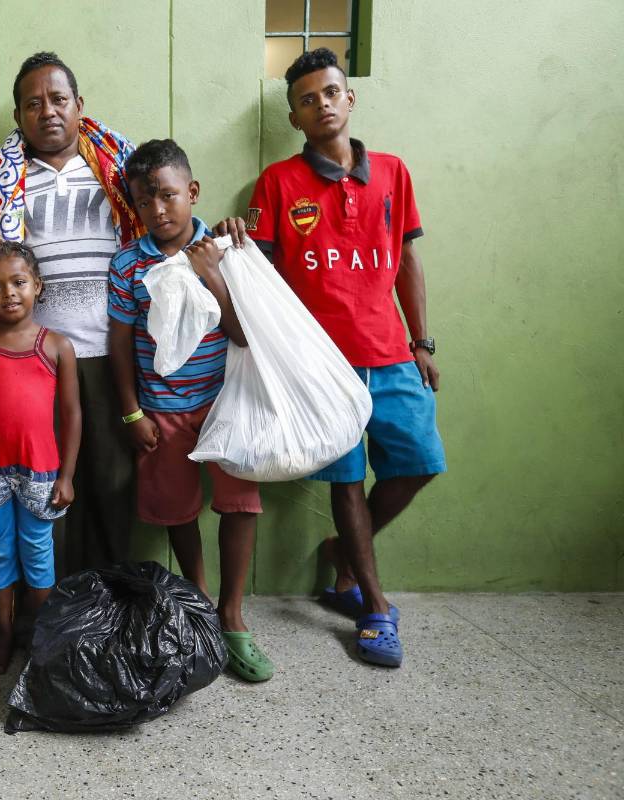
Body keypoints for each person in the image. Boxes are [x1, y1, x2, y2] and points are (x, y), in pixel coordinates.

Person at [227, 48, 446, 667]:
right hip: (319, 364)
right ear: (295, 118)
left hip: (390, 352)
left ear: (350, 100)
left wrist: (421, 341)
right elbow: (261, 272)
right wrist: (232, 242)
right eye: (306, 98)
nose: (321, 103)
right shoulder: (277, 183)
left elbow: (406, 259)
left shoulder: (393, 175)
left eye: (331, 92)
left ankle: (344, 553)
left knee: (419, 462)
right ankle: (374, 608)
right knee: (347, 482)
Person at [0, 52, 141, 575]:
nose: (48, 112)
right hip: (32, 359)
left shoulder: (121, 170)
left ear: (79, 105)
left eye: (59, 100)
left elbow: (163, 228)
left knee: (111, 477)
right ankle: (54, 603)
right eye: (33, 104)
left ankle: (105, 595)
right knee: (40, 485)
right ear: (18, 116)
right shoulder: (0, 183)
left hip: (108, 350)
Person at [108, 139, 273, 683]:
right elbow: (120, 342)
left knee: (239, 504)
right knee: (177, 511)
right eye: (144, 199)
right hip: (162, 411)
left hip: (227, 405)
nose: (158, 209)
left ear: (192, 192)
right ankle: (199, 603)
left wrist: (215, 277)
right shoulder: (129, 265)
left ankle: (232, 615)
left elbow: (246, 335)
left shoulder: (229, 249)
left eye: (169, 195)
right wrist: (132, 412)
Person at [0, 241, 81, 673]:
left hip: (40, 470)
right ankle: (4, 632)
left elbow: (71, 414)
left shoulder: (57, 346)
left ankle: (40, 634)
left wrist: (67, 475)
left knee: (37, 549)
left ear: (37, 286)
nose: (8, 293)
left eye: (18, 282)